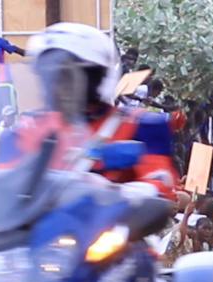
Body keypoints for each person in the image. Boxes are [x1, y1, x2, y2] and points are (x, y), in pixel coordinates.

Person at [23, 22, 181, 200]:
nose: (56, 85)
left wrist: (121, 192)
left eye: (67, 76)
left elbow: (161, 179)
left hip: (116, 222)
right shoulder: (31, 127)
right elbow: (2, 174)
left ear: (95, 76)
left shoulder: (140, 125)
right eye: (48, 76)